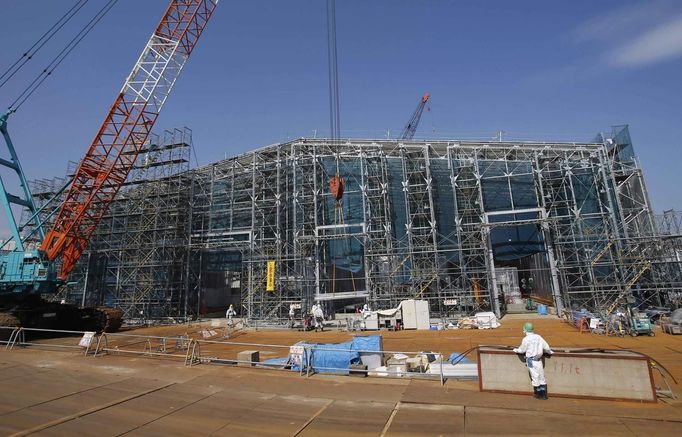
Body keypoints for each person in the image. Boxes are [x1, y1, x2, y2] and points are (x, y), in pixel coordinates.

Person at [513, 322, 553, 400]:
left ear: (525, 330)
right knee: (542, 377)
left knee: (535, 377)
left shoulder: (526, 339)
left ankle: (538, 394)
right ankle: (544, 395)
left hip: (531, 361)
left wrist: (516, 350)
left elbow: (522, 350)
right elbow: (547, 348)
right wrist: (550, 352)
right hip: (539, 360)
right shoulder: (539, 337)